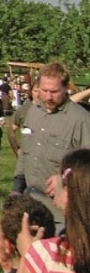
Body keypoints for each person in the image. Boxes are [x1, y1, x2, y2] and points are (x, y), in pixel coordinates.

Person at [12, 61, 90, 229]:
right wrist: (16, 188)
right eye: (44, 90)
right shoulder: (34, 112)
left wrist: (64, 178)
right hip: (30, 205)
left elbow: (87, 167)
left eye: (54, 92)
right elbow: (25, 152)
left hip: (61, 215)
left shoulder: (80, 120)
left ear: (66, 89)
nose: (48, 97)